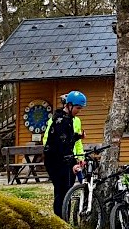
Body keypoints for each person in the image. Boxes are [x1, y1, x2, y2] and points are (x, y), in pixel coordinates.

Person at [43, 90, 86, 219]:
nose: (79, 110)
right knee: (61, 192)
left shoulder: (69, 119)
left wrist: (78, 138)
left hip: (64, 159)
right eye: (77, 108)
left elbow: (68, 139)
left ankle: (64, 219)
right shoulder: (61, 120)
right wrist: (72, 162)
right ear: (69, 105)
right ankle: (60, 219)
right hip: (56, 160)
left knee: (66, 190)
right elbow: (62, 144)